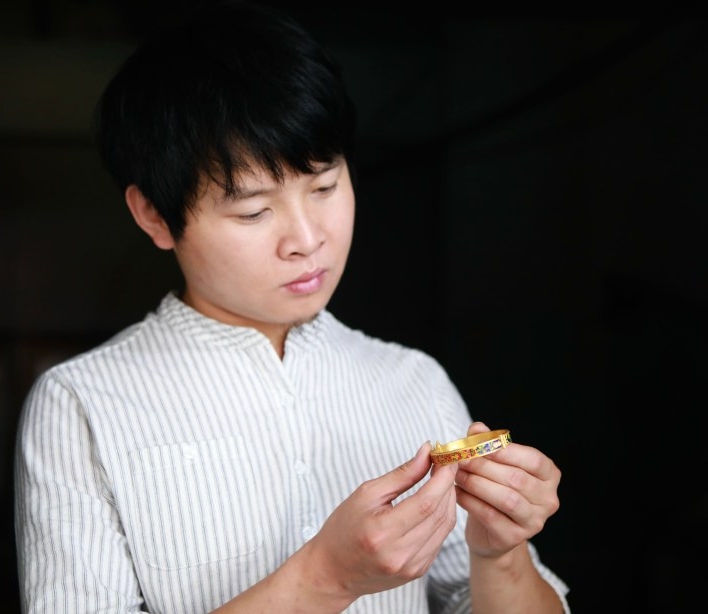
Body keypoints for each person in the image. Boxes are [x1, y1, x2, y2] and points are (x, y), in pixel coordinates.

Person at [14, 2, 570, 612]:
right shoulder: (82, 404)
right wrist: (326, 578)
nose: (307, 239)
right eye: (254, 211)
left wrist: (500, 555)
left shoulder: (414, 382)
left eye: (325, 186)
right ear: (154, 215)